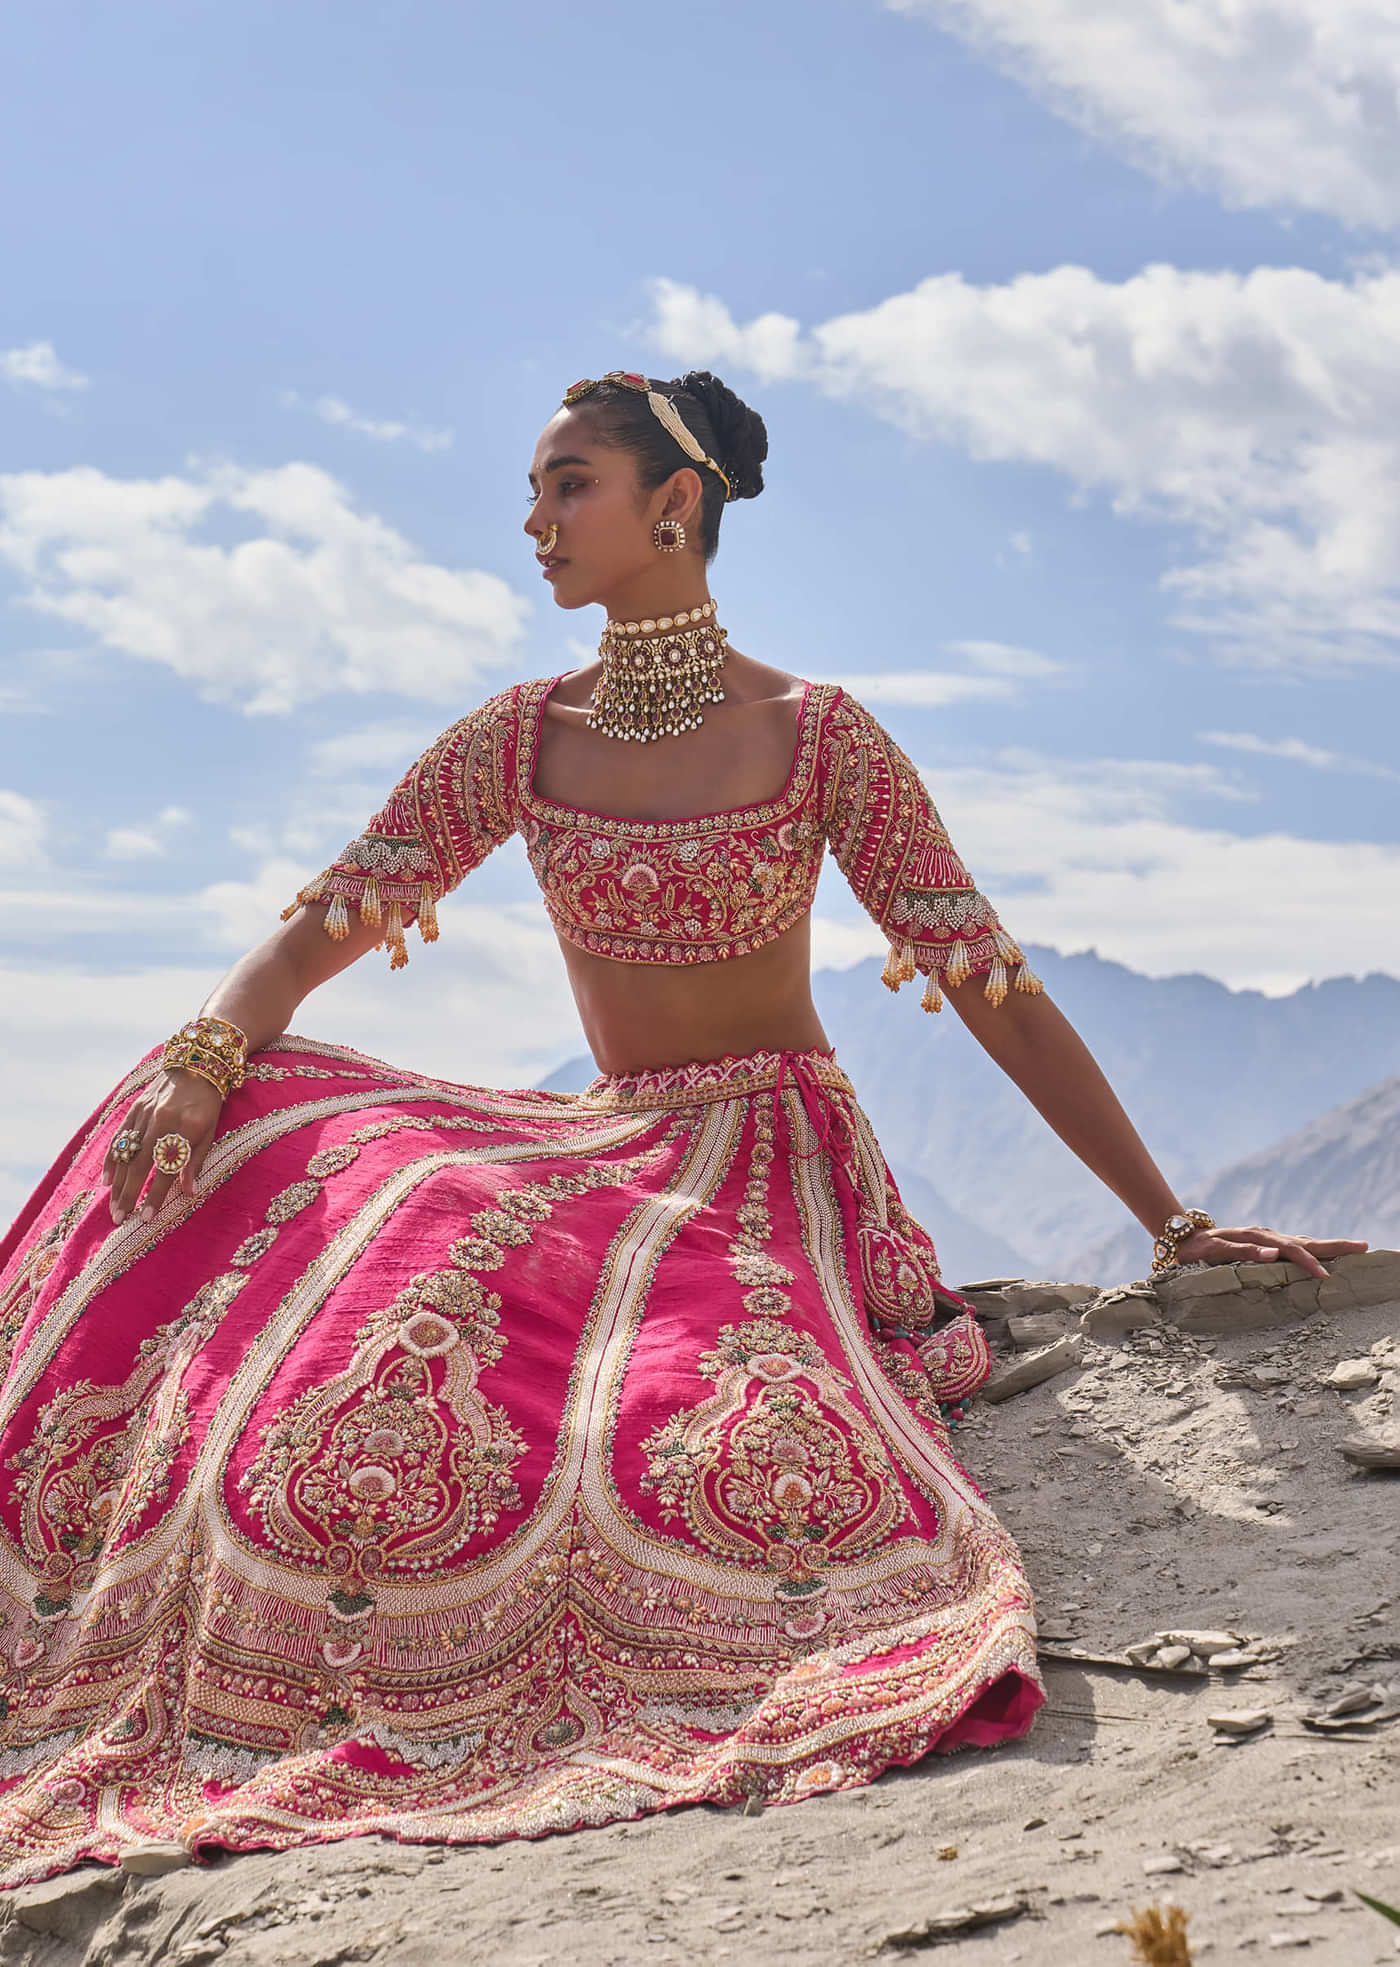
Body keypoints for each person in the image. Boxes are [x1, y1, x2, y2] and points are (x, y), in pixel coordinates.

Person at [0, 370, 1362, 1887]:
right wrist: (197, 1064)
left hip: (769, 1160)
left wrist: (1170, 1221)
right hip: (604, 1148)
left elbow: (994, 990)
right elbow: (311, 937)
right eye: (534, 490)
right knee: (278, 1122)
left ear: (676, 504)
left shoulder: (820, 735)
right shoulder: (518, 740)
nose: (533, 521)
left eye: (567, 483)